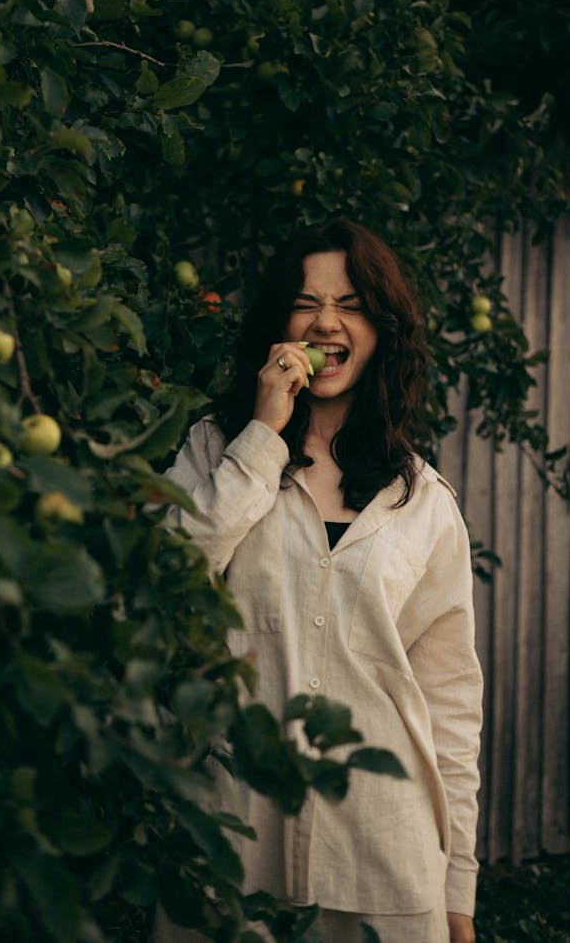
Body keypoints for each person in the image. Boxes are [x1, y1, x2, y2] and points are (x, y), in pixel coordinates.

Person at [155, 219, 483, 943]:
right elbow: (163, 585)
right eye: (307, 302)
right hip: (234, 839)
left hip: (380, 856)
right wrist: (264, 438)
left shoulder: (425, 502)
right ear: (282, 324)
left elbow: (450, 706)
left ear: (383, 328)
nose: (326, 322)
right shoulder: (218, 448)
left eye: (352, 303)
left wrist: (457, 885)